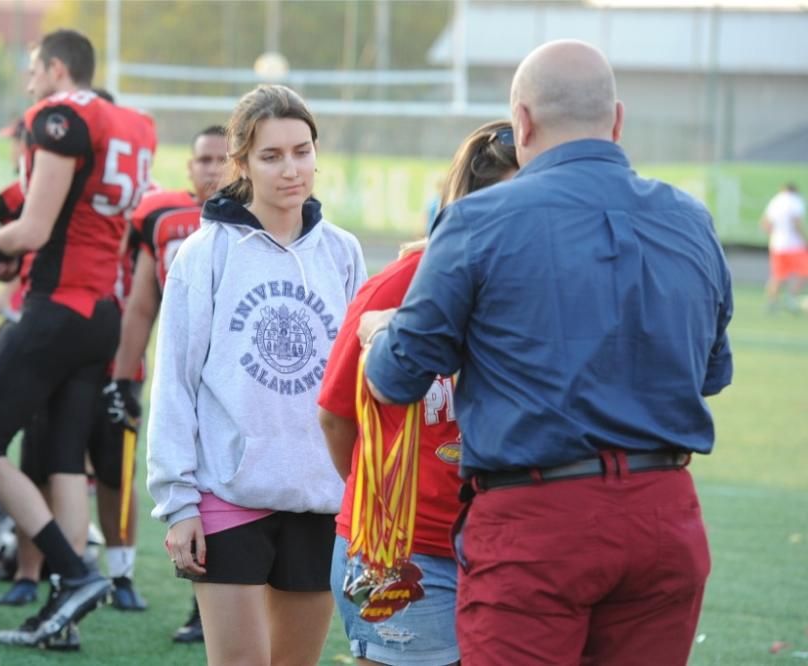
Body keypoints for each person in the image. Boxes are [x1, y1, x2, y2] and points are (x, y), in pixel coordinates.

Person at [360, 40, 733, 666]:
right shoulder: (690, 219)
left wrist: (379, 336)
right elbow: (712, 374)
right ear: (617, 120)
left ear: (523, 123)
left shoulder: (480, 219)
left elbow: (397, 377)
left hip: (537, 518)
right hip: (665, 513)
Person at [0, 29, 156, 649]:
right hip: (100, 312)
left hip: (58, 306)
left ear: (56, 68)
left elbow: (31, 231)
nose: (29, 82)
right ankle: (66, 605)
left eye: (33, 70)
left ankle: (75, 572)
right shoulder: (132, 121)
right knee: (62, 460)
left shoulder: (59, 117)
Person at [147, 84, 367, 666]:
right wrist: (179, 502)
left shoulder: (342, 253)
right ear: (241, 164)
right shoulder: (205, 252)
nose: (291, 169)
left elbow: (354, 386)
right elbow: (174, 382)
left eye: (301, 151)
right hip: (229, 493)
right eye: (271, 156)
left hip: (319, 498)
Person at [319, 121, 518, 666]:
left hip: (504, 548)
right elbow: (337, 417)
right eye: (503, 197)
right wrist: (382, 502)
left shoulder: (535, 295)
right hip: (402, 553)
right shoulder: (398, 286)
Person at [109, 123, 228, 640]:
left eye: (223, 158)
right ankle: (205, 604)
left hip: (239, 384)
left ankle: (221, 605)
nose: (214, 169)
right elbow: (140, 305)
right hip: (182, 377)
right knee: (189, 489)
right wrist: (123, 376)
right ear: (189, 166)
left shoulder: (267, 219)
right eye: (204, 159)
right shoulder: (161, 216)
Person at [760, 182, 807, 312]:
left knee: (778, 275)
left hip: (777, 245)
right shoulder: (795, 201)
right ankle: (791, 298)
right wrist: (805, 239)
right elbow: (797, 222)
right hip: (794, 245)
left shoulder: (775, 201)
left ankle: (771, 301)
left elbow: (764, 224)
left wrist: (774, 235)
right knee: (804, 272)